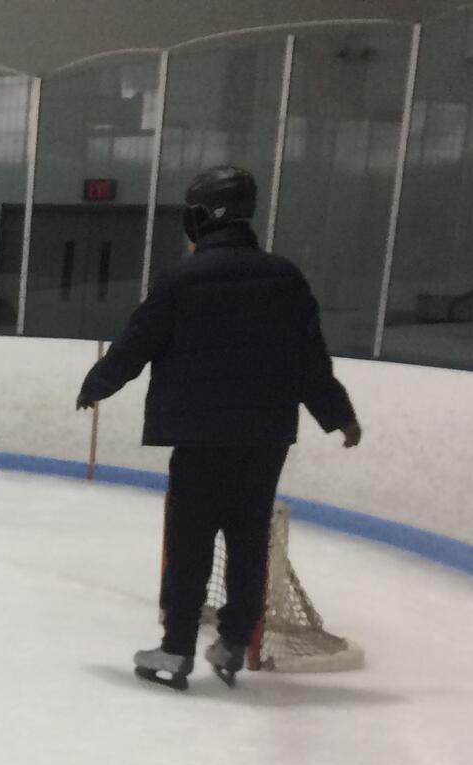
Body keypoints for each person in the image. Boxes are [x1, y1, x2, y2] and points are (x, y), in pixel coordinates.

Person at [75, 164, 361, 689]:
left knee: (190, 544)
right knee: (250, 540)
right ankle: (232, 641)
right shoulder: (286, 279)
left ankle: (176, 650)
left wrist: (98, 384)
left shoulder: (182, 279)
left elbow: (137, 342)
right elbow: (310, 362)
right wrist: (338, 414)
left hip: (201, 438)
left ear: (201, 217)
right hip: (264, 438)